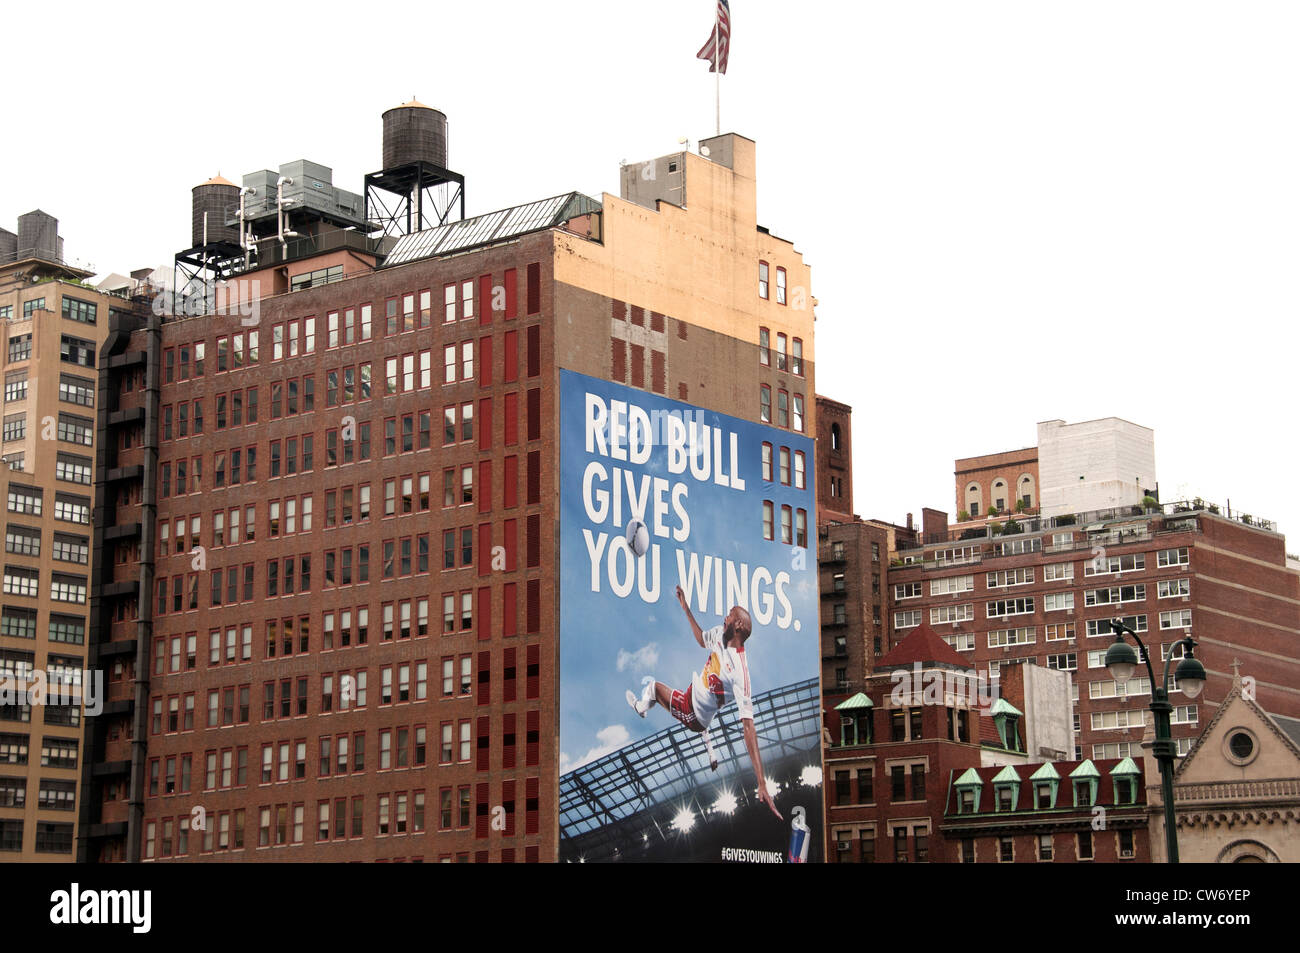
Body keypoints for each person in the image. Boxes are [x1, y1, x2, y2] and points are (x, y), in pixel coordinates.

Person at [627, 585, 781, 820]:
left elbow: (748, 727)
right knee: (703, 724)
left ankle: (640, 709)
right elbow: (701, 640)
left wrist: (762, 783)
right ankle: (710, 747)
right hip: (696, 699)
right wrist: (686, 608)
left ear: (738, 625)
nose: (725, 616)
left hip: (693, 712)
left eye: (730, 614)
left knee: (654, 689)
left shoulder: (740, 672)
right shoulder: (721, 634)